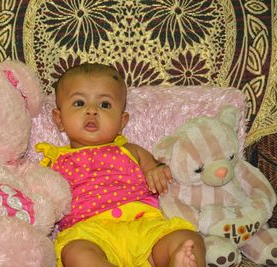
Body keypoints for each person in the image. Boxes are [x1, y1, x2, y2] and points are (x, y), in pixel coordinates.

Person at [36, 63, 205, 267]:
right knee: (75, 253)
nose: (92, 111)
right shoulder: (54, 162)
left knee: (187, 238)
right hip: (90, 233)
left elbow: (155, 168)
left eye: (104, 105)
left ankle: (178, 261)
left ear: (122, 121)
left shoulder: (131, 151)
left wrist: (156, 171)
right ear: (59, 118)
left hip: (144, 226)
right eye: (79, 103)